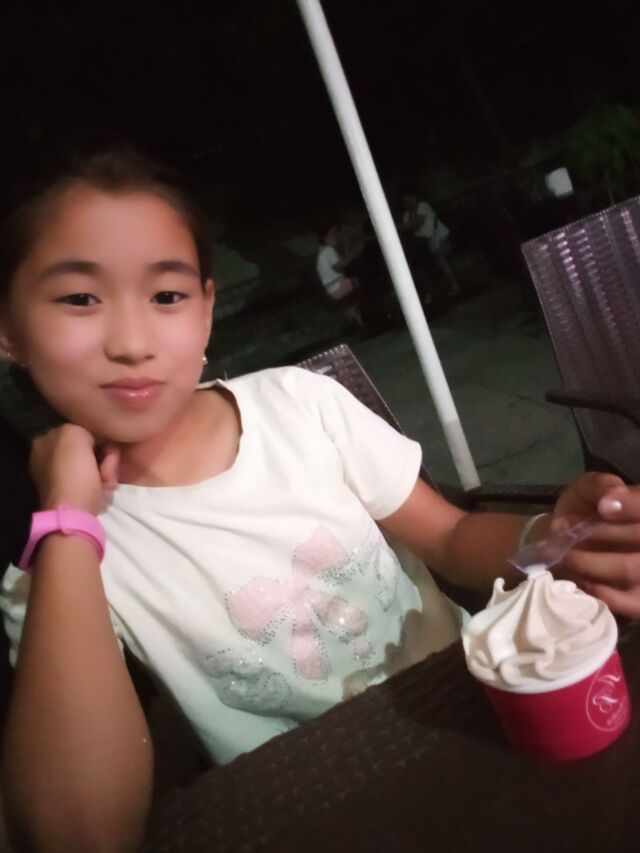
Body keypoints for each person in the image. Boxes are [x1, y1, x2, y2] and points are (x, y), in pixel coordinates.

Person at [0, 145, 640, 851]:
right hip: (323, 807)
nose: (131, 341)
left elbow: (450, 537)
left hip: (475, 711)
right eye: (79, 299)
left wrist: (553, 537)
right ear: (8, 332)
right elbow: (81, 833)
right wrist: (68, 524)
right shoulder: (58, 564)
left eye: (167, 296)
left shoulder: (299, 406)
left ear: (206, 310)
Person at [399, 184, 461, 299]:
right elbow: (404, 227)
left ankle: (455, 285)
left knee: (439, 259)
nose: (407, 203)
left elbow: (417, 223)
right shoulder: (407, 214)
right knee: (422, 262)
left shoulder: (423, 206)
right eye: (405, 201)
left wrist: (404, 226)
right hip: (427, 244)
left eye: (408, 199)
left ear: (414, 197)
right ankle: (434, 291)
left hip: (441, 238)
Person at [315, 224, 364, 326]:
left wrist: (347, 244)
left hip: (334, 287)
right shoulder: (328, 250)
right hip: (338, 286)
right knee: (363, 279)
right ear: (325, 238)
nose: (337, 236)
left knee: (354, 308)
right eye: (333, 234)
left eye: (336, 233)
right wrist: (355, 252)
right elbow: (339, 267)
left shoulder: (324, 251)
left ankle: (355, 317)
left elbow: (344, 262)